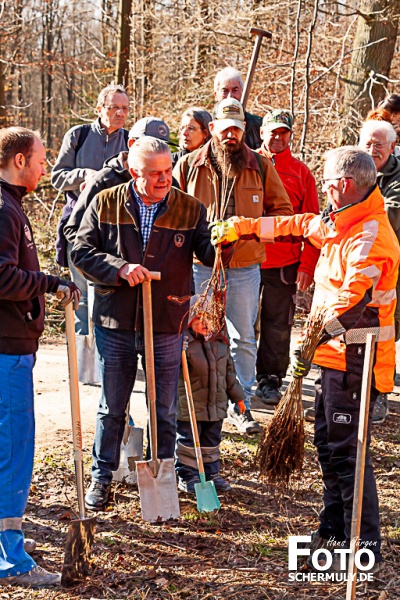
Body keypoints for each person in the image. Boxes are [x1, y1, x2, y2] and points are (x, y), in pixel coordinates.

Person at [211, 146, 400, 573]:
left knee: (350, 452)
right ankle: (333, 531)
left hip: (357, 358)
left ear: (343, 185)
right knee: (329, 446)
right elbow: (296, 223)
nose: (324, 186)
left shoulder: (370, 235)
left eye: (328, 180)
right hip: (332, 357)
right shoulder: (340, 221)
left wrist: (311, 343)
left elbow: (351, 304)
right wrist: (242, 227)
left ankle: (362, 546)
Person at [70, 136, 225, 511]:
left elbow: (207, 251)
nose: (164, 179)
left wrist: (224, 240)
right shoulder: (106, 201)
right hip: (116, 318)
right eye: (155, 173)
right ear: (134, 171)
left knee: (164, 404)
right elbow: (80, 248)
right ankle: (102, 475)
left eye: (168, 170)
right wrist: (120, 268)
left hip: (167, 318)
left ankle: (164, 471)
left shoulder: (190, 208)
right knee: (113, 405)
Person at [173, 97, 293, 434]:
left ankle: (241, 406)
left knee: (242, 337)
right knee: (194, 334)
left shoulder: (261, 165)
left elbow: (283, 213)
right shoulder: (187, 166)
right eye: (225, 129)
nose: (231, 135)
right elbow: (171, 211)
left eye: (237, 129)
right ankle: (193, 405)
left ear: (244, 131)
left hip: (243, 266)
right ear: (212, 129)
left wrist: (250, 229)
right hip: (199, 266)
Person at [0, 127, 80, 588]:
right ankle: (8, 557)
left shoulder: (12, 206)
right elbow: (3, 277)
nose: (46, 167)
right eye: (40, 159)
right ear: (18, 161)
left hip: (12, 345)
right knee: (12, 449)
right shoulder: (3, 210)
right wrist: (47, 284)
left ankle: (4, 536)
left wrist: (45, 279)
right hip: (6, 349)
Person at [52, 83, 130, 336]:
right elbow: (57, 177)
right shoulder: (79, 135)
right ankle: (85, 368)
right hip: (78, 223)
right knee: (82, 295)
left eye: (125, 108)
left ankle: (106, 358)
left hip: (115, 228)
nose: (120, 113)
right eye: (114, 107)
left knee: (109, 294)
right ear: (99, 108)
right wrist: (85, 176)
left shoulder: (131, 142)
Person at [254, 109, 320, 405]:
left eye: (283, 133)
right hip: (244, 258)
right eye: (273, 132)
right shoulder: (246, 161)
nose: (278, 137)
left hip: (283, 261)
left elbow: (315, 223)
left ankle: (270, 378)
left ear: (290, 135)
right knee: (237, 322)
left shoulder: (300, 172)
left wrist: (307, 265)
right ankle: (232, 378)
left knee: (278, 323)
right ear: (262, 132)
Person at [64, 116, 173, 247]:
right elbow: (74, 229)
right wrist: (109, 261)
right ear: (132, 144)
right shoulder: (104, 181)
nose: (157, 151)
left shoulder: (169, 184)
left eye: (163, 146)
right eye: (150, 146)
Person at [176, 296, 246, 493]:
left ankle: (211, 473)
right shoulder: (184, 344)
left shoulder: (221, 344)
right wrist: (177, 349)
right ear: (189, 322)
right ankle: (187, 474)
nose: (204, 323)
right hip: (190, 405)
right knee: (188, 441)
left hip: (215, 406)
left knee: (211, 441)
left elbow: (230, 375)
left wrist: (239, 398)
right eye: (198, 319)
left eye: (209, 318)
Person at [359, 119, 400, 423]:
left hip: (391, 270)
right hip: (357, 266)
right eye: (367, 143)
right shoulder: (353, 167)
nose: (372, 150)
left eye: (379, 145)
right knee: (349, 326)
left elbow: (390, 217)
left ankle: (378, 395)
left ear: (392, 147)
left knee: (384, 333)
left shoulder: (397, 178)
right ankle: (344, 391)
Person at [213, 67, 262, 150]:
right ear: (215, 95)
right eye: (225, 91)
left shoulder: (258, 126)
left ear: (242, 92)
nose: (230, 96)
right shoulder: (204, 127)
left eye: (235, 90)